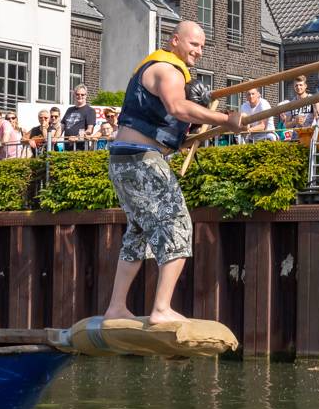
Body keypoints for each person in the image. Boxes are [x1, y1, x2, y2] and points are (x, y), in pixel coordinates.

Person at [101, 21, 242, 326]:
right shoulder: (168, 69)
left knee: (138, 231)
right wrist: (225, 119)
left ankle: (116, 308)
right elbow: (177, 108)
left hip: (123, 159)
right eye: (194, 44)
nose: (199, 51)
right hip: (143, 161)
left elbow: (169, 118)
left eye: (203, 46)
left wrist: (195, 123)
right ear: (175, 40)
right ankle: (161, 309)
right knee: (178, 226)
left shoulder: (156, 68)